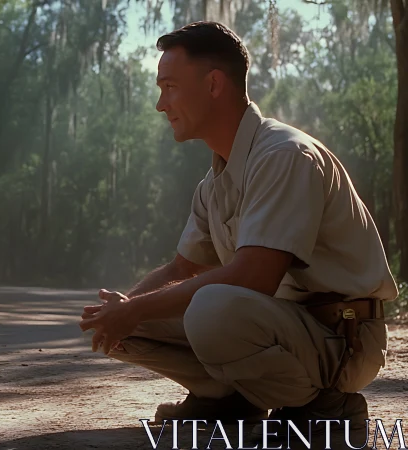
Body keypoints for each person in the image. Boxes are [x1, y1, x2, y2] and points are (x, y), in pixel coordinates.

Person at [79, 21, 396, 445]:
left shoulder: (284, 154)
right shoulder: (213, 183)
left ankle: (326, 406)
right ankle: (230, 400)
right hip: (280, 328)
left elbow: (253, 277)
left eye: (170, 86)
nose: (160, 104)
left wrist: (134, 310)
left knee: (211, 309)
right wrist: (123, 313)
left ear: (213, 84)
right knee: (134, 320)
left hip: (341, 339)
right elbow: (182, 266)